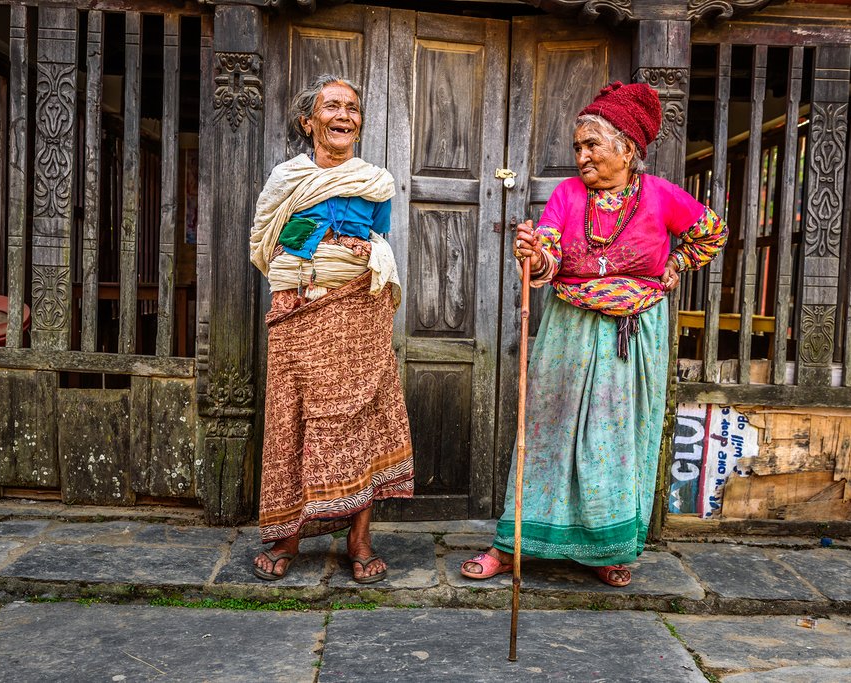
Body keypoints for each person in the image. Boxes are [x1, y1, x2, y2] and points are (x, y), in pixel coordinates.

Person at [461, 81, 727, 587]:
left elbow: (711, 232)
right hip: (570, 331)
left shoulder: (660, 195)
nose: (581, 155)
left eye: (592, 145)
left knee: (614, 440)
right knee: (547, 432)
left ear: (628, 149)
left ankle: (608, 548)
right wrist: (532, 253)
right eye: (578, 146)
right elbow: (550, 252)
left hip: (634, 336)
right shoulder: (566, 195)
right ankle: (513, 543)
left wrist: (676, 263)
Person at [249, 75, 413, 584]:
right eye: (333, 107)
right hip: (299, 310)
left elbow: (381, 240)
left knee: (361, 414)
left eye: (353, 108)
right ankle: (291, 532)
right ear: (309, 122)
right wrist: (310, 260)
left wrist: (368, 252)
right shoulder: (287, 180)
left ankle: (359, 537)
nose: (345, 115)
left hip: (360, 312)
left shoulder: (376, 181)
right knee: (295, 417)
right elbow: (269, 242)